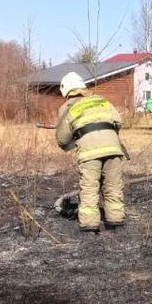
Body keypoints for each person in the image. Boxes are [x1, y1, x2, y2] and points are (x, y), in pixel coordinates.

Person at [55, 72, 127, 234]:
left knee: (89, 187)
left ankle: (89, 225)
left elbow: (62, 139)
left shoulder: (68, 108)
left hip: (90, 152)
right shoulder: (101, 100)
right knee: (113, 186)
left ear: (66, 91)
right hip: (113, 148)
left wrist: (75, 139)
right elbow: (118, 122)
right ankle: (115, 222)